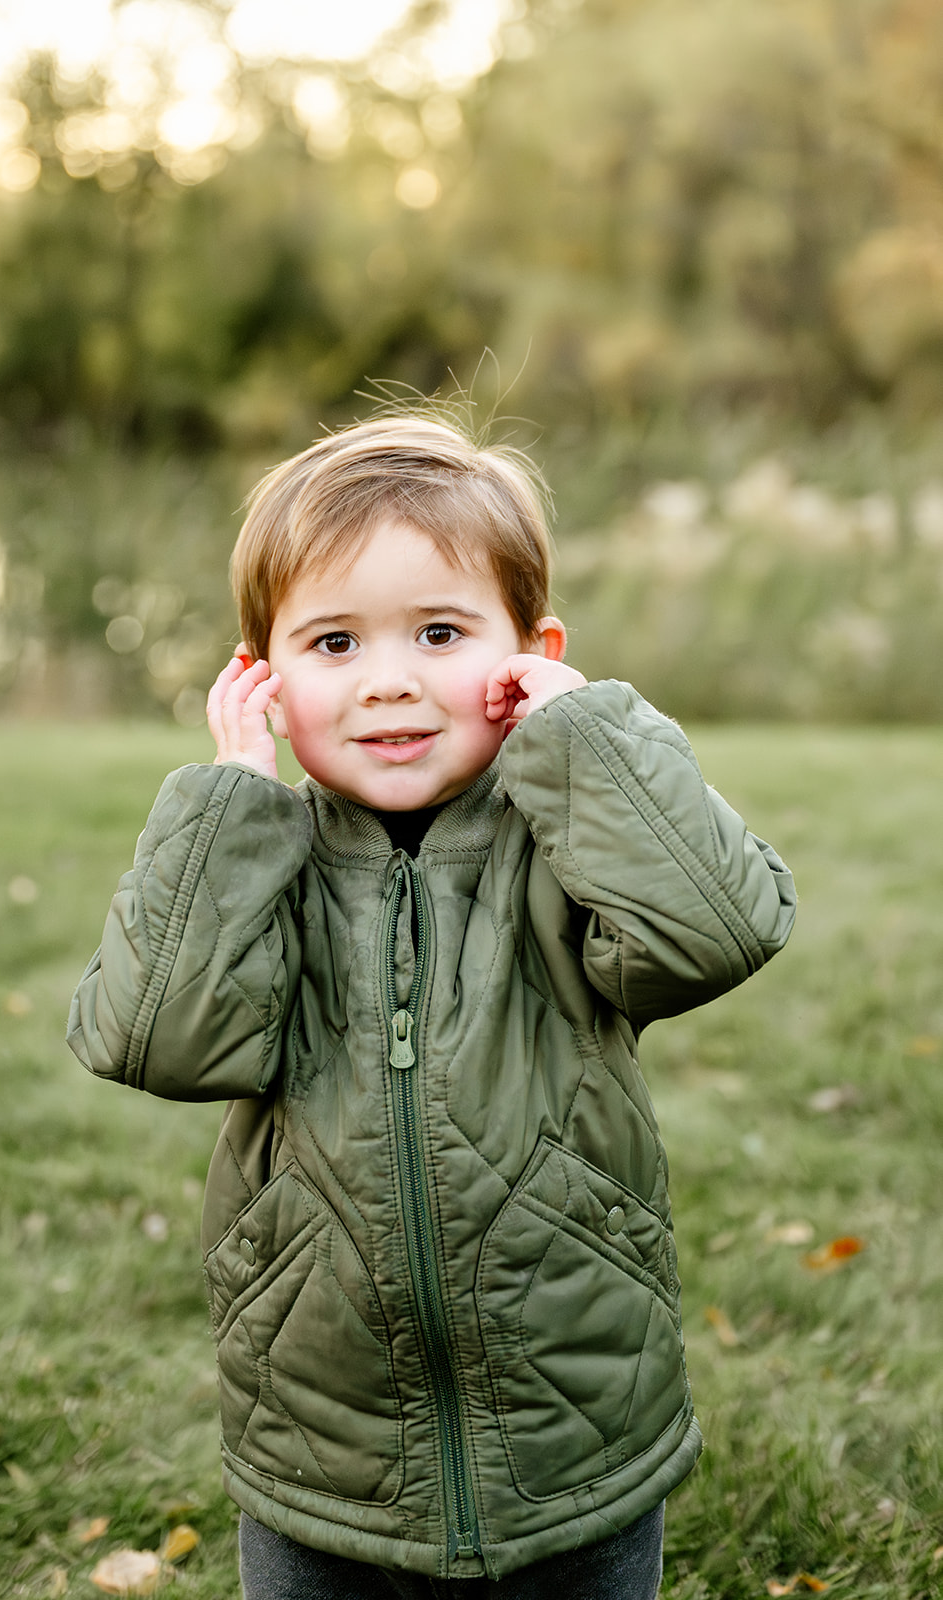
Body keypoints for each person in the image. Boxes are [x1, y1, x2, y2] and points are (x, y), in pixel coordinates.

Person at [67, 414, 796, 1598]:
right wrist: (228, 806)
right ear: (262, 677)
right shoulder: (264, 863)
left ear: (530, 653)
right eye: (333, 641)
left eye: (441, 632)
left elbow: (719, 928)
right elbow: (153, 1035)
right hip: (325, 1457)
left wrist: (581, 736)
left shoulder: (559, 848)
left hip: (574, 1440)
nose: (389, 678)